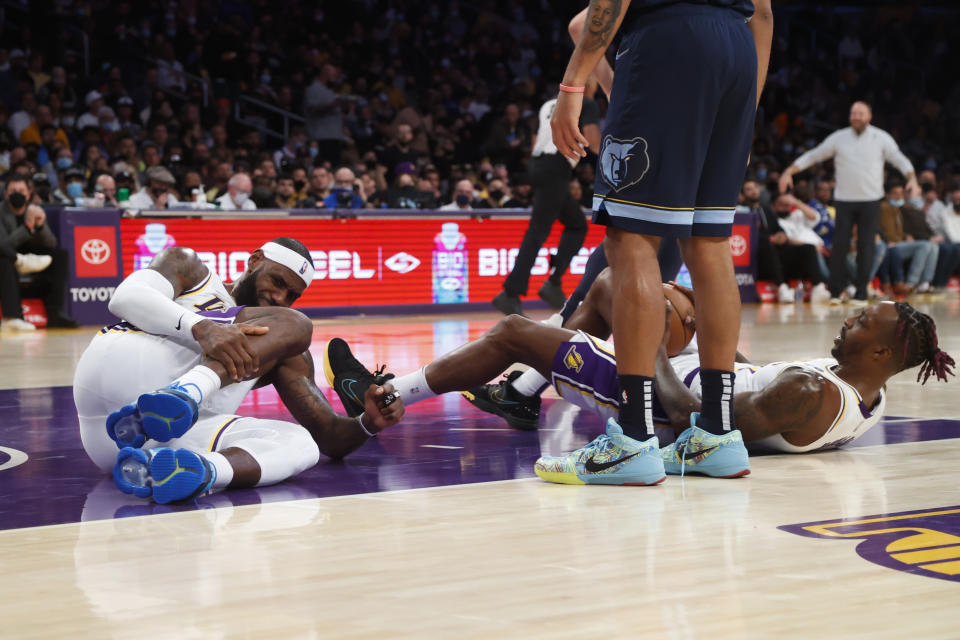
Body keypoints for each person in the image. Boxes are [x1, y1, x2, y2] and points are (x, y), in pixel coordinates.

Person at [324, 274, 952, 485]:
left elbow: (692, 427)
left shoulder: (812, 392)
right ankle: (520, 393)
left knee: (516, 328)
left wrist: (644, 344)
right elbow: (748, 394)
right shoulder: (861, 393)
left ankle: (388, 395)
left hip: (648, 398)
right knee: (617, 288)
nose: (849, 320)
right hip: (686, 375)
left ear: (883, 351)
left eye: (863, 321)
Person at [549, 0, 773, 479]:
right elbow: (765, 13)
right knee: (710, 242)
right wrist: (745, 113)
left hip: (668, 44)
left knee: (632, 240)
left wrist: (572, 84)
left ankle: (632, 439)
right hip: (738, 51)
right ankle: (716, 433)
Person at [73, 237, 404, 504]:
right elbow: (126, 297)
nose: (279, 297)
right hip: (125, 362)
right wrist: (201, 328)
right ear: (255, 259)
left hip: (124, 444)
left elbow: (328, 436)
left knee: (302, 444)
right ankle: (185, 392)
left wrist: (368, 423)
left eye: (292, 295)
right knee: (297, 324)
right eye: (277, 281)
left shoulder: (285, 348)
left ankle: (198, 473)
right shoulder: (192, 269)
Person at [779, 102, 920, 303]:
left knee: (866, 247)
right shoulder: (839, 137)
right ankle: (836, 292)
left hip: (870, 200)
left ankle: (861, 292)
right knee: (840, 246)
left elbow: (899, 159)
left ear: (869, 116)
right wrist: (789, 171)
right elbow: (815, 154)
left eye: (860, 113)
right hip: (844, 200)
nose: (856, 116)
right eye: (853, 113)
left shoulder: (881, 138)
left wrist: (912, 179)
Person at [492, 89, 599, 316]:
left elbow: (535, 141)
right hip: (556, 167)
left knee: (577, 224)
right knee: (538, 231)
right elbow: (595, 144)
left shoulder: (547, 103)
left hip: (539, 165)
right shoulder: (586, 103)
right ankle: (511, 292)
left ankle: (554, 282)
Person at [1, 175, 77, 329]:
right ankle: (12, 317)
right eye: (13, 190)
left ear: (28, 193)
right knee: (4, 257)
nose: (18, 193)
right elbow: (4, 244)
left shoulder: (34, 209)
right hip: (7, 257)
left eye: (21, 190)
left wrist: (40, 226)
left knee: (60, 255)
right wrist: (28, 228)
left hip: (32, 257)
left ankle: (56, 314)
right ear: (5, 194)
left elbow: (51, 243)